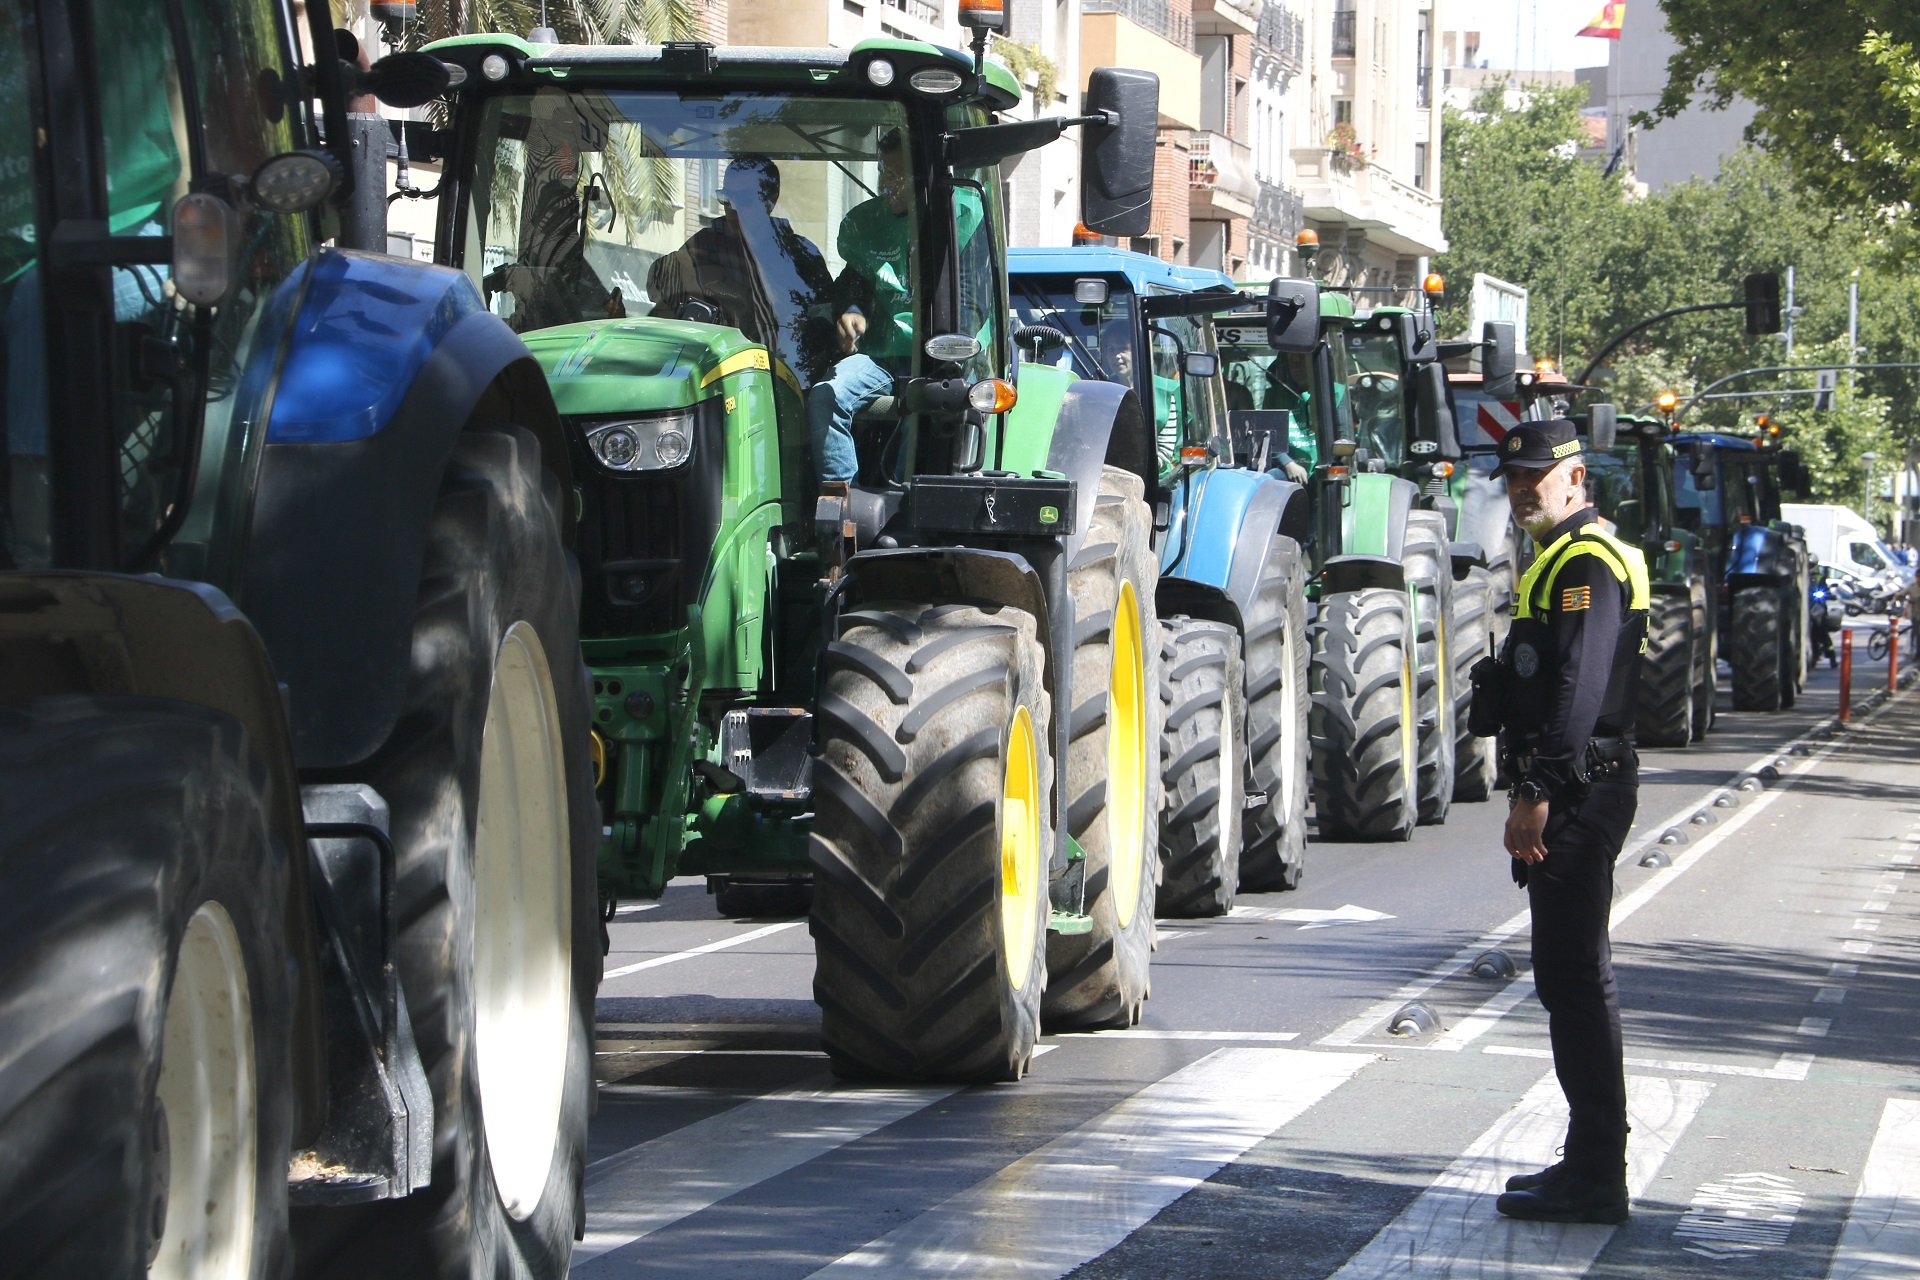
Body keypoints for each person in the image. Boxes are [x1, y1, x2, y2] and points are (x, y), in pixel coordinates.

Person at [1469, 417, 1650, 1225]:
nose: (1521, 491)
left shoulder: (1586, 561)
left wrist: (1537, 786)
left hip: (1580, 788)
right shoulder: (1561, 558)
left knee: (1576, 982)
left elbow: (1579, 686)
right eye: (1512, 480)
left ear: (1575, 478)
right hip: (1577, 785)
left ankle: (1596, 1176)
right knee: (1570, 979)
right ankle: (1588, 1163)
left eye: (1536, 479)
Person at [647, 157, 836, 386]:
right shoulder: (706, 245)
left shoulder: (801, 253)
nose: (733, 208)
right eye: (726, 198)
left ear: (771, 200)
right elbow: (660, 286)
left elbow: (826, 320)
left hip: (793, 380)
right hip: (725, 379)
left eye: (744, 198)